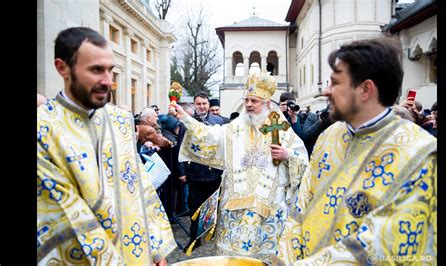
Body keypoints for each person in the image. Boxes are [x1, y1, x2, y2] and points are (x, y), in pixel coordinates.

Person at [277, 36, 437, 264]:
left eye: (335, 83)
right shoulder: (329, 137)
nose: (326, 92)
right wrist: (285, 258)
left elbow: (381, 245)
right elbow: (301, 206)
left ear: (365, 89)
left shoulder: (420, 154)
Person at [37, 27, 176, 265]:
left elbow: (140, 188)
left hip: (137, 254)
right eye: (95, 70)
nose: (107, 81)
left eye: (110, 70)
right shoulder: (43, 129)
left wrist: (155, 248)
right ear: (63, 68)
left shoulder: (120, 122)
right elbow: (67, 216)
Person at [170, 71, 308, 263]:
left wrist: (287, 155)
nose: (249, 104)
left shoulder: (280, 128)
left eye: (255, 101)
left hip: (268, 209)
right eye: (247, 100)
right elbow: (210, 136)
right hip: (234, 210)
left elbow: (302, 159)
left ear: (267, 104)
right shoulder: (235, 127)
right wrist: (186, 117)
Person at [180, 92, 225, 253]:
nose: (202, 106)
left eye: (204, 104)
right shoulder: (187, 122)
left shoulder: (219, 121)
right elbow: (181, 147)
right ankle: (194, 238)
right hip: (195, 173)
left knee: (214, 206)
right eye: (198, 104)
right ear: (194, 104)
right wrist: (181, 172)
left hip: (214, 173)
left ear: (208, 104)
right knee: (194, 207)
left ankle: (214, 235)